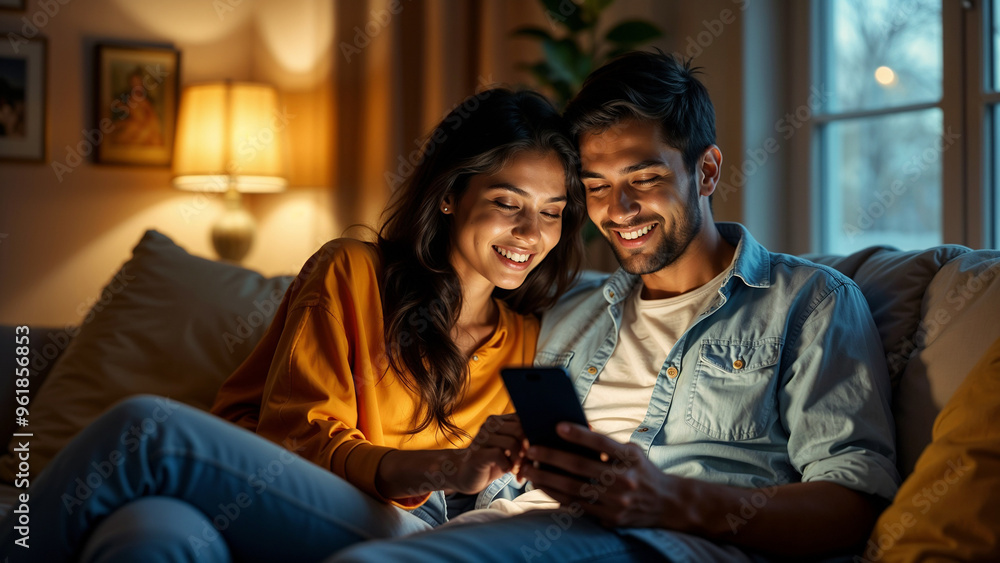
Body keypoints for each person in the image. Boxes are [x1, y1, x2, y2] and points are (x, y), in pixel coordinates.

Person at [331, 51, 900, 563]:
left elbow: (852, 505)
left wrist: (666, 499)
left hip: (664, 541)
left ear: (706, 171)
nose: (618, 210)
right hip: (503, 526)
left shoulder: (809, 302)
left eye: (644, 178)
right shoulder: (566, 309)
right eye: (596, 186)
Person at [0, 87, 585, 562]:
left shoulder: (532, 339)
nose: (532, 233)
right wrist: (449, 465)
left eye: (552, 213)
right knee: (150, 536)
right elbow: (300, 438)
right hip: (275, 490)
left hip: (408, 535)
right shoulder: (353, 271)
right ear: (450, 195)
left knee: (145, 427)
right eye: (509, 204)